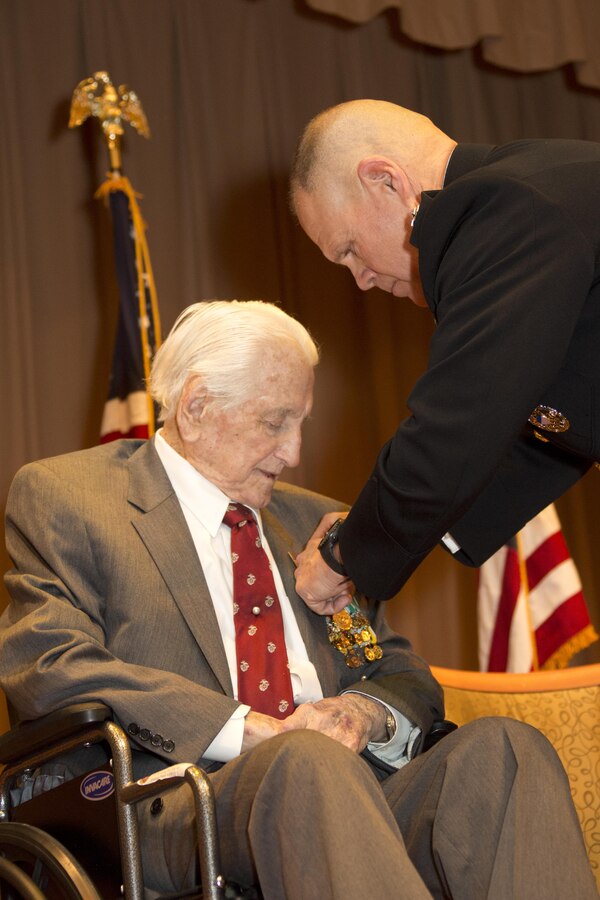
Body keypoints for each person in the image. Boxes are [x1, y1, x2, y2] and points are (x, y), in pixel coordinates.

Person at [0, 300, 596, 899]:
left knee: (504, 753)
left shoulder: (312, 520)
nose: (295, 453)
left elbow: (400, 670)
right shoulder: (71, 498)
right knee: (305, 760)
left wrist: (362, 714)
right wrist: (255, 731)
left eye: (302, 422)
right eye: (276, 422)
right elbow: (49, 664)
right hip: (175, 806)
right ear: (198, 407)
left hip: (356, 788)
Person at [289, 98, 600, 612]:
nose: (361, 280)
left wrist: (343, 555)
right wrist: (369, 528)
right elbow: (536, 425)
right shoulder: (532, 182)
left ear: (385, 180)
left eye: (348, 249)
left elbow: (462, 418)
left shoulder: (504, 205)